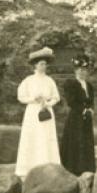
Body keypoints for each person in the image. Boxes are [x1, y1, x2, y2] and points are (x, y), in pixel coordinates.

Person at [15, 46, 61, 179]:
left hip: (46, 110)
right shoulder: (28, 80)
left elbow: (56, 97)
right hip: (33, 112)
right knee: (33, 137)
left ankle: (49, 167)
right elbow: (21, 97)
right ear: (35, 65)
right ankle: (29, 169)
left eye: (45, 64)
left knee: (46, 137)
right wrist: (33, 99)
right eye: (41, 64)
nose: (44, 66)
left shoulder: (49, 80)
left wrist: (47, 103)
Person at [60, 54, 97, 176]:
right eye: (80, 70)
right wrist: (84, 110)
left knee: (86, 142)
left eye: (84, 70)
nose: (82, 72)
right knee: (75, 142)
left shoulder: (89, 86)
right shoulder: (70, 84)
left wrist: (90, 109)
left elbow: (90, 101)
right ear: (75, 70)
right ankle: (74, 169)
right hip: (75, 118)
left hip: (87, 119)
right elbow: (71, 102)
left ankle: (87, 168)